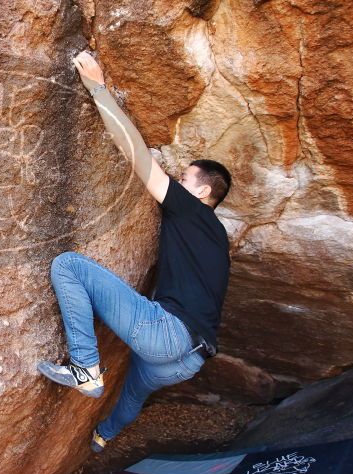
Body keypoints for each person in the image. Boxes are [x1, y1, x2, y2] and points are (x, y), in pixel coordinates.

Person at [37, 50, 232, 453]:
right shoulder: (216, 238)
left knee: (69, 265)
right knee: (131, 396)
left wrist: (97, 88)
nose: (176, 180)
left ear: (202, 191)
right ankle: (103, 437)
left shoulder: (191, 209)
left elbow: (138, 158)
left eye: (184, 177)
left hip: (169, 336)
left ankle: (86, 367)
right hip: (185, 363)